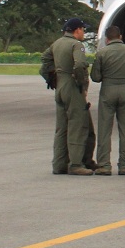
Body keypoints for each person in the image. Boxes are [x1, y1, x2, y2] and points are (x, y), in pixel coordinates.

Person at [42, 19, 95, 176]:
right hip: (72, 86)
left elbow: (45, 60)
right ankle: (76, 164)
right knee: (77, 125)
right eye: (83, 30)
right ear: (77, 30)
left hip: (60, 85)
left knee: (61, 128)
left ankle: (59, 164)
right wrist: (81, 84)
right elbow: (79, 65)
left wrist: (51, 77)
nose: (83, 33)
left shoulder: (56, 43)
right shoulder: (76, 45)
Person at [89, 24, 125, 175]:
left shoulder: (102, 53)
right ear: (120, 37)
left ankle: (104, 165)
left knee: (104, 130)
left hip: (108, 91)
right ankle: (124, 165)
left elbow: (96, 77)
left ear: (106, 39)